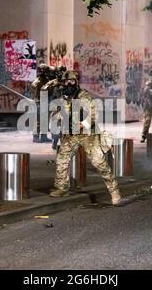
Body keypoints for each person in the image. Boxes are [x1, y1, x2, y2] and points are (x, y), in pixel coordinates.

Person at [49, 70, 122, 206]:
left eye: (71, 81)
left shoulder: (84, 96)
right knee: (62, 159)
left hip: (88, 135)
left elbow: (93, 115)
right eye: (66, 81)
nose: (68, 84)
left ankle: (114, 191)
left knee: (99, 163)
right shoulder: (63, 97)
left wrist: (82, 125)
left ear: (76, 82)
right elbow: (57, 114)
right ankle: (62, 188)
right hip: (71, 134)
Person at [31, 64, 53, 143]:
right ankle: (35, 136)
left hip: (45, 102)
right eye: (47, 72)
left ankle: (44, 136)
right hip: (39, 103)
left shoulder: (46, 80)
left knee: (45, 121)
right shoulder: (37, 83)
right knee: (38, 121)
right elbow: (37, 96)